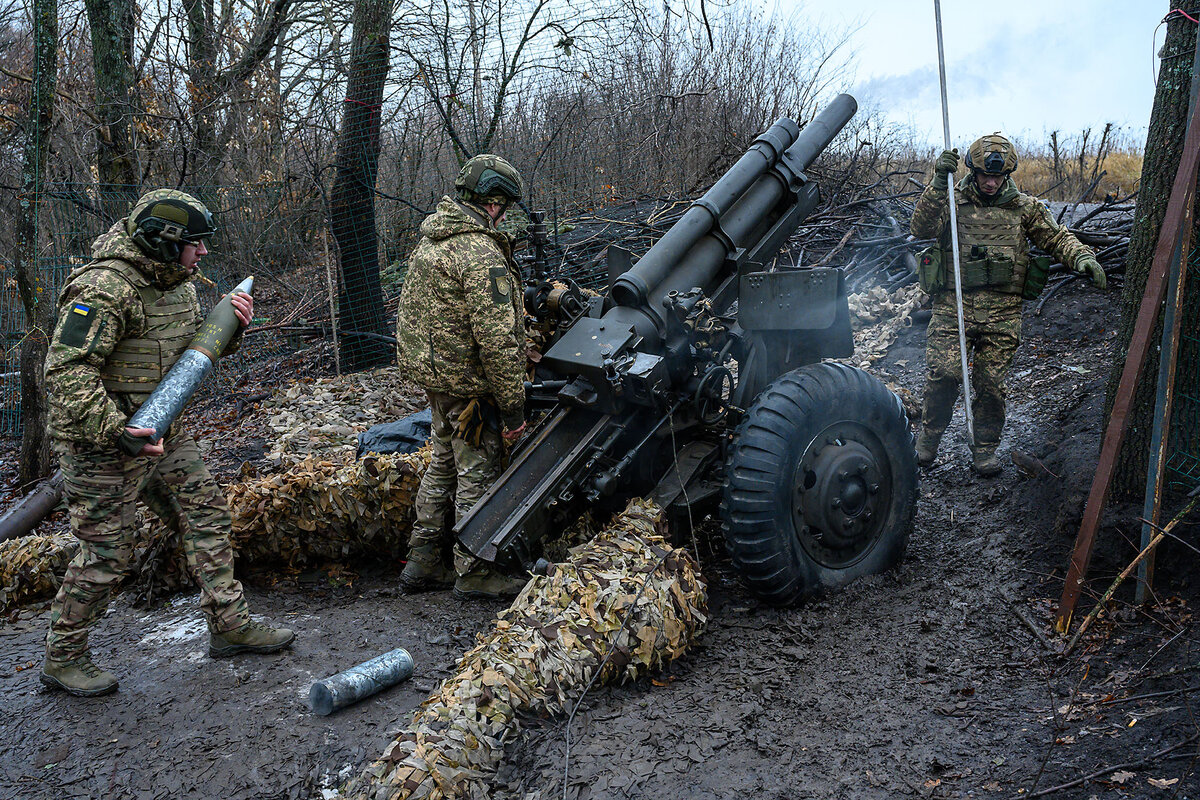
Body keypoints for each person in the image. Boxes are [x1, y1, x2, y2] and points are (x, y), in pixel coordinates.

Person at [40, 189, 294, 697]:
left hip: (162, 431)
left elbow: (188, 356)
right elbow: (65, 371)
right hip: (101, 444)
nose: (202, 254)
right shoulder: (105, 287)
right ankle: (63, 657)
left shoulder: (180, 285)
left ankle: (230, 625)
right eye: (194, 244)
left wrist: (232, 330)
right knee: (108, 551)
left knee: (206, 513)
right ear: (162, 242)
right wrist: (115, 430)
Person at [911, 133, 1106, 476]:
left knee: (989, 384)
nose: (990, 182)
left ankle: (984, 449)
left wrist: (1082, 258)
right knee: (944, 374)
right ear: (972, 171)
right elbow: (922, 226)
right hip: (954, 305)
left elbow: (1056, 236)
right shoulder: (953, 202)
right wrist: (939, 182)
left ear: (1007, 175)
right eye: (984, 175)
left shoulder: (1023, 207)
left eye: (997, 177)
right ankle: (927, 439)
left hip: (1002, 311)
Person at [394, 154, 529, 600]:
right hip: (471, 387)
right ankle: (474, 570)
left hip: (438, 383)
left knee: (443, 465)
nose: (504, 215)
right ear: (492, 202)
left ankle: (423, 559)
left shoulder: (432, 241)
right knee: (478, 470)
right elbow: (497, 341)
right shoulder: (479, 252)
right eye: (503, 206)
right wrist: (513, 411)